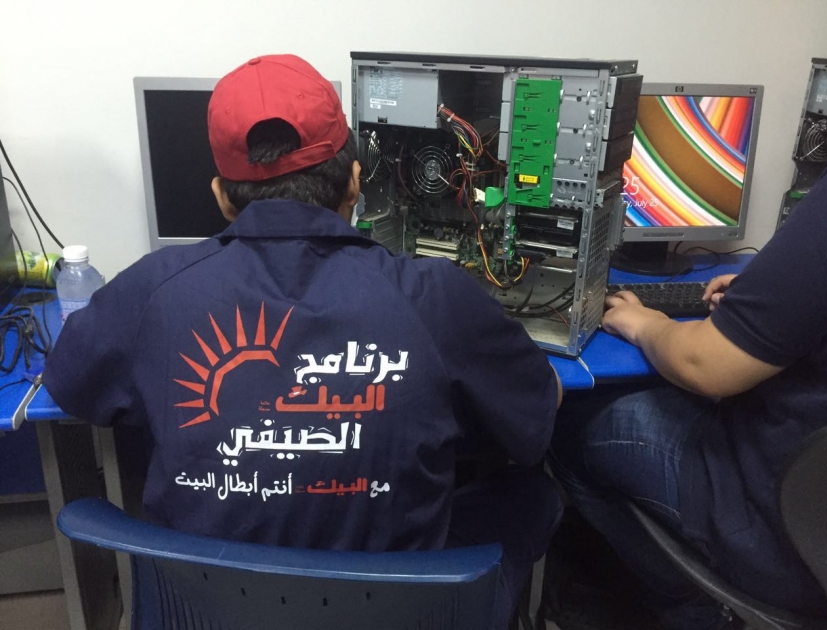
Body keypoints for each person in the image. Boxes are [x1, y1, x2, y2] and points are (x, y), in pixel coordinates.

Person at [42, 54, 563, 628]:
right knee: (533, 492)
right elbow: (537, 419)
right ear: (356, 182)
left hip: (208, 611)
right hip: (392, 614)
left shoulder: (151, 290)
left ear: (221, 196)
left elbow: (69, 384)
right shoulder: (435, 297)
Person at [550, 161, 827, 629]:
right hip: (822, 533)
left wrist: (647, 325)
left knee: (567, 428)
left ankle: (695, 608)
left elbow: (704, 365)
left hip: (785, 536)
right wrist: (766, 298)